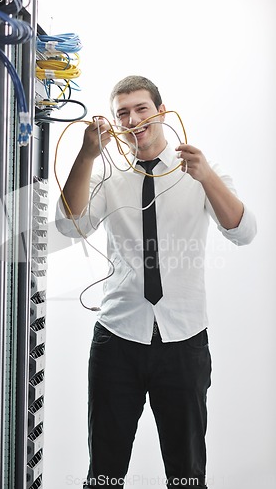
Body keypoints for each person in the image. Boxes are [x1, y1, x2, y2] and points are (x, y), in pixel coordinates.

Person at [55, 76, 257, 489]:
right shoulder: (107, 176)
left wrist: (206, 178)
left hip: (184, 341)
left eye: (141, 108)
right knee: (104, 474)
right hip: (117, 340)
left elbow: (244, 231)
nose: (133, 119)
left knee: (186, 474)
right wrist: (87, 156)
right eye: (123, 113)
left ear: (161, 112)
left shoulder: (200, 171)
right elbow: (68, 224)